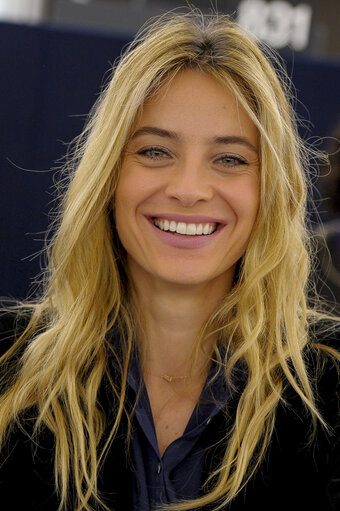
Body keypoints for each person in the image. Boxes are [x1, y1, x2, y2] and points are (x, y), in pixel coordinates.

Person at [0, 10, 339, 511]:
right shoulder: (10, 367)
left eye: (229, 159)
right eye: (156, 151)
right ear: (110, 176)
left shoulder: (330, 388)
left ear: (271, 189)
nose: (187, 190)